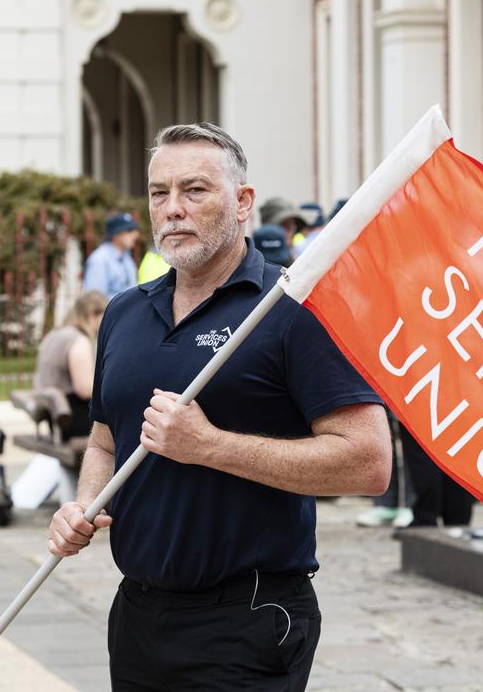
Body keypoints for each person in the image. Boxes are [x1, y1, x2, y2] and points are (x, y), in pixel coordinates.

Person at [47, 121, 391, 691]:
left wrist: (210, 447)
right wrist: (83, 505)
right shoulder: (124, 314)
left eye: (195, 190)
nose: (173, 208)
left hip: (250, 615)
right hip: (137, 613)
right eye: (160, 193)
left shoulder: (294, 309)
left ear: (242, 202)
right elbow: (107, 441)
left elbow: (368, 463)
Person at [32, 290, 108, 439]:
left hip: (53, 414)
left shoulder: (55, 334)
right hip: (71, 417)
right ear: (92, 315)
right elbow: (85, 389)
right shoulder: (78, 340)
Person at [83, 212, 140, 299]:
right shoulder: (100, 260)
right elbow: (94, 302)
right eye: (129, 230)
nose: (136, 234)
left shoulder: (126, 258)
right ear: (116, 234)